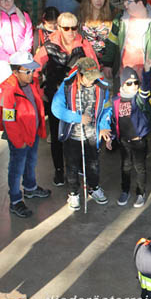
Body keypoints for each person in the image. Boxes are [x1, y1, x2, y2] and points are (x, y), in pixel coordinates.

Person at [33, 12, 98, 187]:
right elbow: (34, 70)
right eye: (66, 28)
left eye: (74, 27)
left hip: (78, 97)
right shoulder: (48, 46)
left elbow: (94, 67)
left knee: (78, 133)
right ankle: (59, 170)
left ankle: (78, 166)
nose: (70, 31)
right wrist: (40, 92)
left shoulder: (84, 45)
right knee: (57, 135)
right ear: (59, 28)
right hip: (55, 97)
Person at [0, 51, 51, 218]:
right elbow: (9, 120)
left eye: (32, 70)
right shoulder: (10, 92)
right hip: (20, 139)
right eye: (27, 71)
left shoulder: (31, 84)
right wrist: (18, 141)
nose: (31, 74)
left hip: (32, 135)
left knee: (31, 162)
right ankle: (15, 200)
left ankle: (30, 188)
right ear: (15, 72)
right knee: (16, 168)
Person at [51, 57, 112, 210]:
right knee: (71, 165)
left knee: (94, 164)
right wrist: (78, 118)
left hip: (92, 135)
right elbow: (56, 109)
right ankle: (73, 193)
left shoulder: (102, 88)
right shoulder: (67, 86)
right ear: (80, 74)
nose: (92, 81)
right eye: (89, 78)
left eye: (94, 78)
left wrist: (104, 126)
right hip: (72, 135)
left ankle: (94, 187)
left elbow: (106, 109)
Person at [105, 0, 151, 89]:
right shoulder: (120, 20)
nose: (125, 4)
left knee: (143, 103)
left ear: (140, 3)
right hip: (123, 74)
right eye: (124, 1)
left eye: (128, 1)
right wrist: (107, 63)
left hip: (145, 75)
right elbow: (111, 42)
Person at [109, 64, 151, 208]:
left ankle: (141, 192)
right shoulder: (115, 100)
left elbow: (145, 90)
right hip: (124, 141)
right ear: (123, 84)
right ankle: (125, 190)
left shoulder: (139, 99)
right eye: (129, 83)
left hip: (138, 141)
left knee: (140, 167)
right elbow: (114, 121)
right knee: (125, 166)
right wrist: (111, 137)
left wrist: (147, 72)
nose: (134, 86)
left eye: (136, 83)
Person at [0, 0, 34, 83]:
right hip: (3, 60)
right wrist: (6, 57)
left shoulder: (24, 15)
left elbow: (28, 36)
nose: (6, 1)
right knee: (6, 87)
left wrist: (22, 53)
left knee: (23, 85)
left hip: (22, 57)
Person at [79, 0, 116, 86]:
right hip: (87, 64)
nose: (99, 1)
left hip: (105, 65)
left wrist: (110, 64)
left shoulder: (111, 17)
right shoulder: (81, 18)